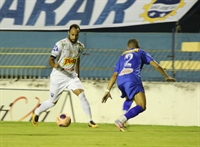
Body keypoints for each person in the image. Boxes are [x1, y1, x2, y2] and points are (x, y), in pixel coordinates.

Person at [31, 24, 98, 128]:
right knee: (52, 103)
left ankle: (90, 120)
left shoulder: (80, 46)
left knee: (82, 95)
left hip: (71, 76)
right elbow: (51, 60)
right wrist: (55, 65)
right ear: (68, 33)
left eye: (76, 35)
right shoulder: (60, 45)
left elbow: (77, 59)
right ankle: (36, 112)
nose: (74, 37)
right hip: (58, 77)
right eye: (72, 35)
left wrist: (78, 74)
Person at [101, 38, 175, 131]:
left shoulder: (122, 56)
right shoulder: (141, 52)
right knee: (141, 106)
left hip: (121, 81)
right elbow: (157, 66)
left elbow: (114, 74)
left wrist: (107, 90)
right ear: (138, 47)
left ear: (127, 47)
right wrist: (166, 76)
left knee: (129, 98)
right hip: (133, 79)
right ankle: (121, 120)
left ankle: (123, 118)